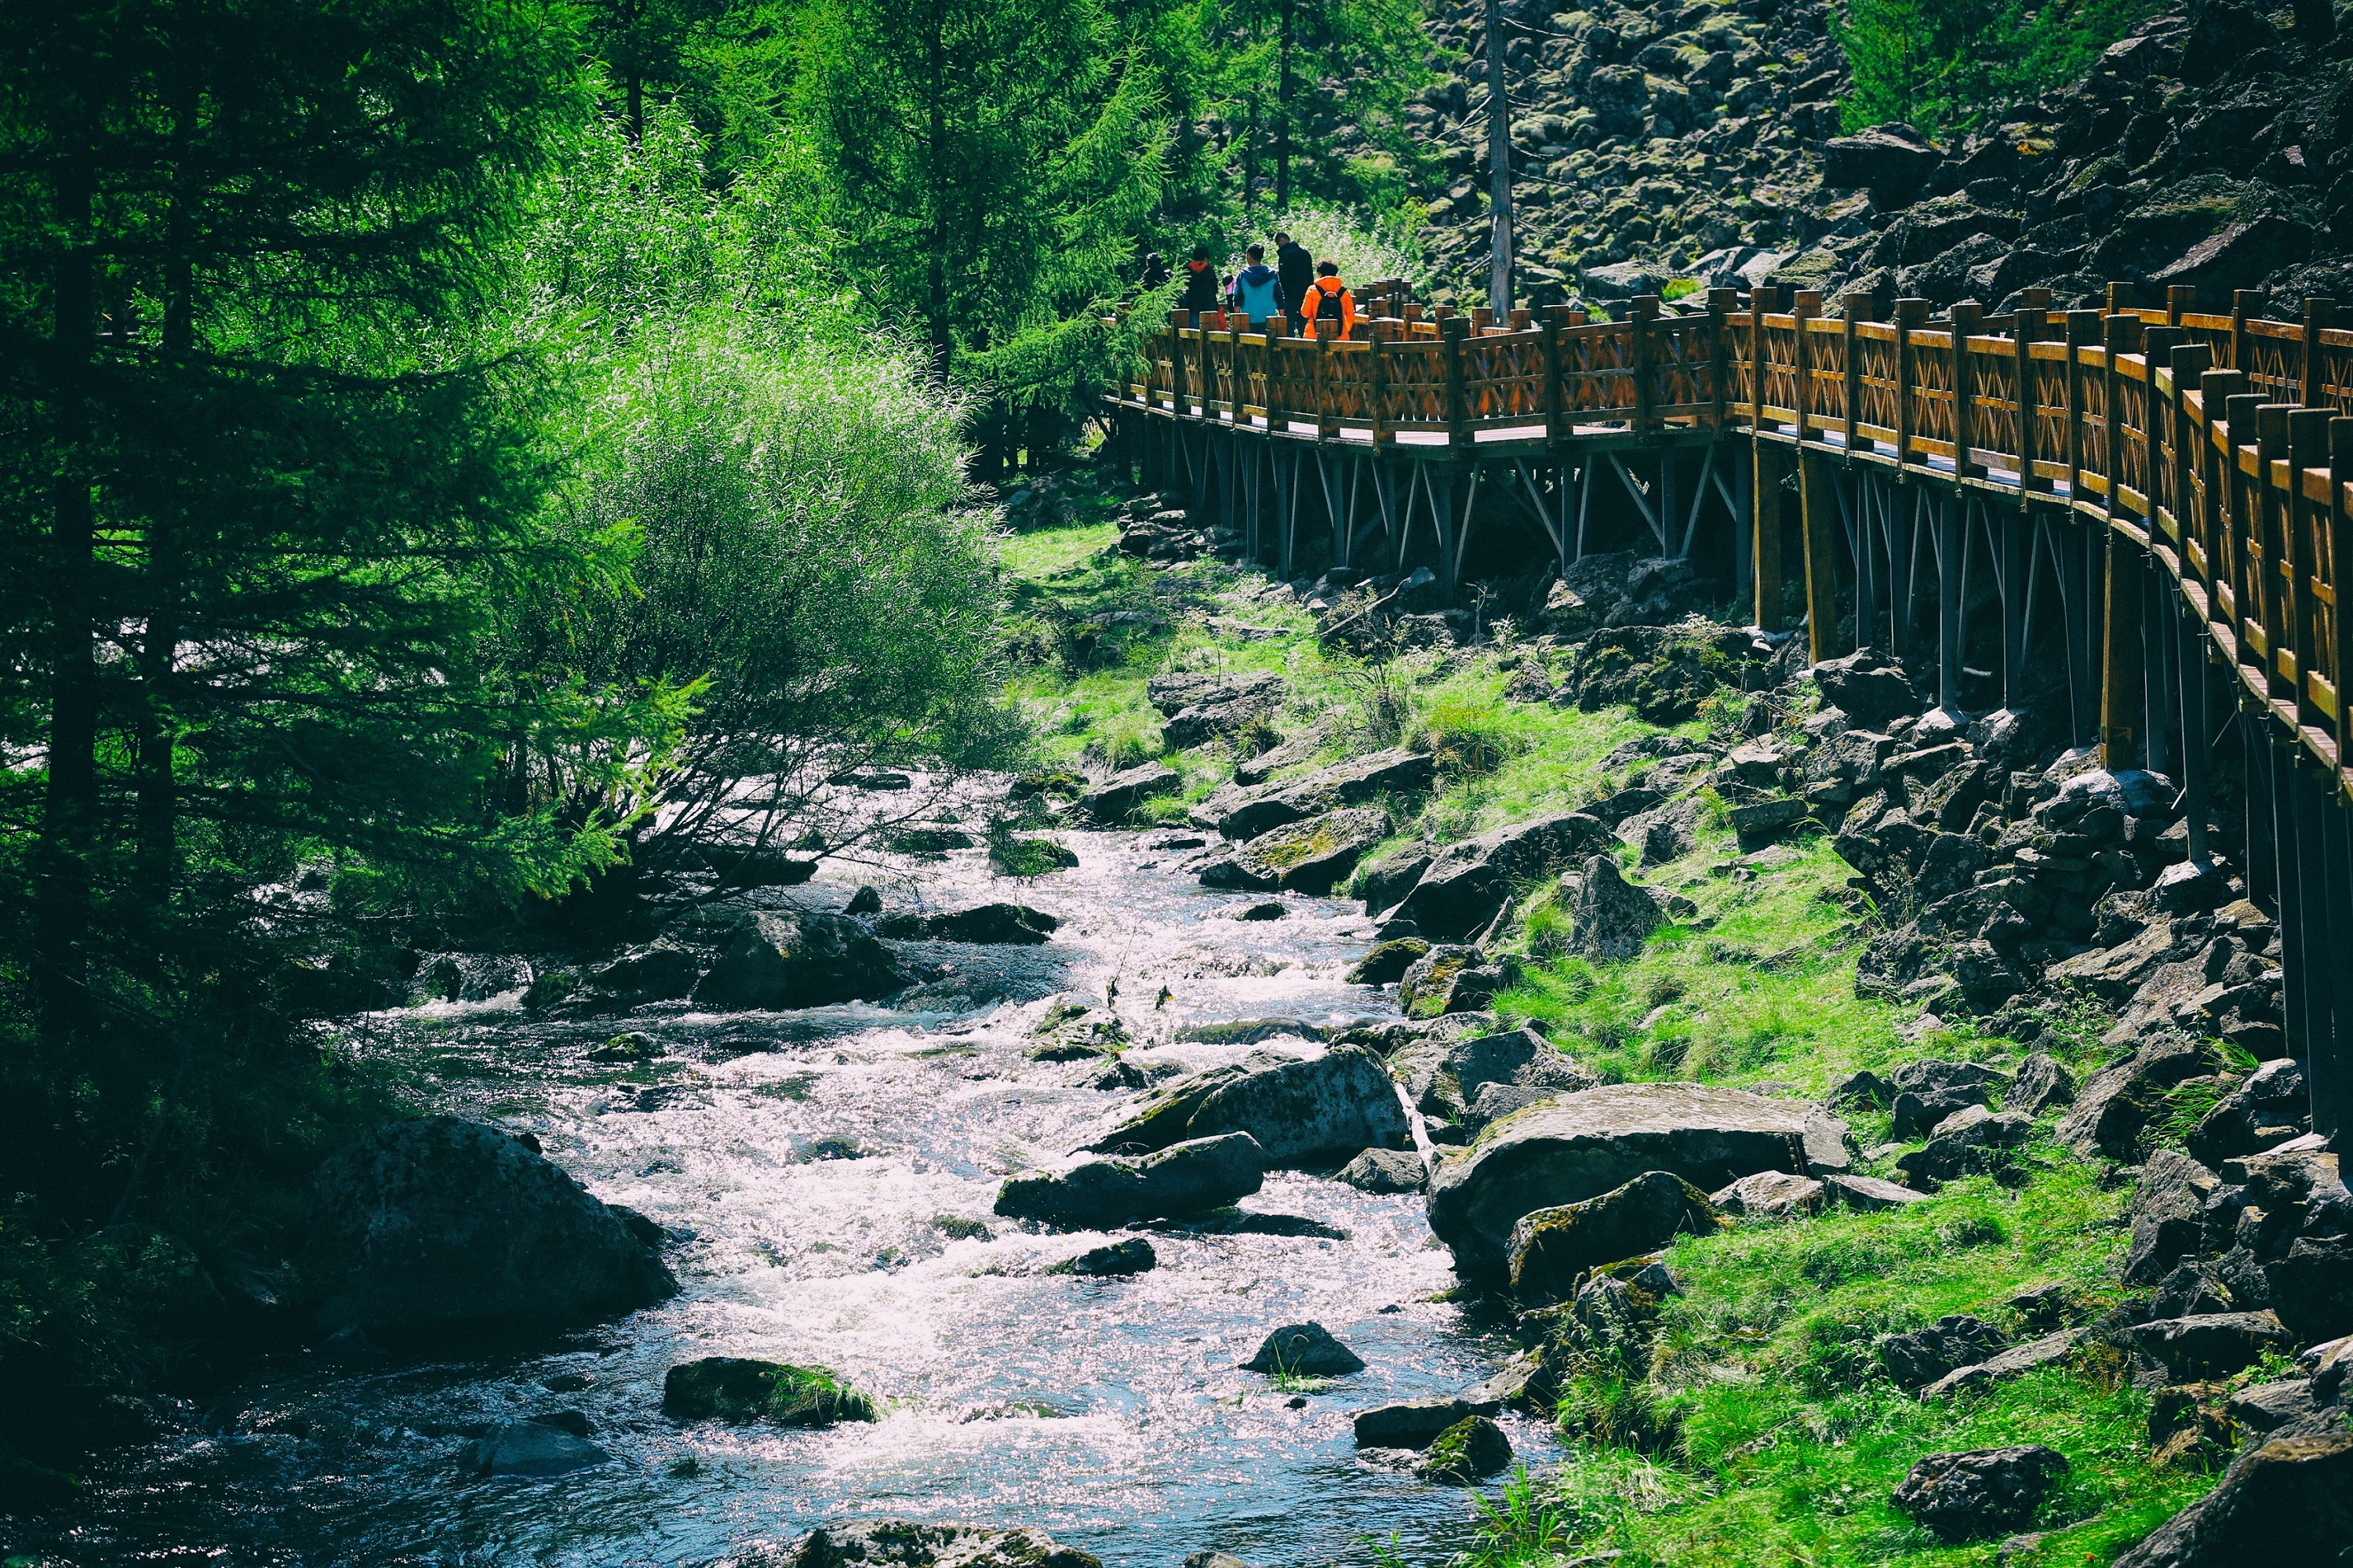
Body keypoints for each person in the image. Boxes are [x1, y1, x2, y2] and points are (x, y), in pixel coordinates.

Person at [1227, 242, 1286, 327]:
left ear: (1249, 256)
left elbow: (1237, 298)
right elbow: (1279, 297)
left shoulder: (1243, 275)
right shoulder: (1272, 274)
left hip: (1247, 320)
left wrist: (1237, 320)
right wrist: (1282, 318)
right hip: (1269, 320)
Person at [1300, 257, 1356, 337]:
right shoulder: (1344, 292)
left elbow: (1305, 313)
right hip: (1339, 337)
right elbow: (1351, 316)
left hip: (1314, 336)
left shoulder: (1312, 290)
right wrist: (1344, 330)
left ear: (1320, 273)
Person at [1274, 230, 1313, 334]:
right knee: (1304, 325)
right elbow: (1310, 276)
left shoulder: (1285, 255)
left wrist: (1282, 296)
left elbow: (1283, 279)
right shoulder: (1305, 253)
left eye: (1278, 243)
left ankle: (1290, 344)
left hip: (1290, 297)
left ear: (1282, 240)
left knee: (1289, 327)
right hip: (1305, 295)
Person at [1179, 243, 1222, 315]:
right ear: (1206, 258)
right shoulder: (1209, 270)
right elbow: (1215, 288)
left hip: (1192, 305)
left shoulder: (1187, 270)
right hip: (1208, 306)